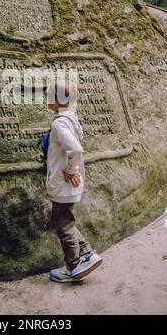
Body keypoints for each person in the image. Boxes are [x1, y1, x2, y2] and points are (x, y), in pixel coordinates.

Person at [44, 80, 103, 282]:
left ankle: (73, 266)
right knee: (67, 221)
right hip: (69, 186)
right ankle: (86, 253)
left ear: (58, 100)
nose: (46, 99)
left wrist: (70, 169)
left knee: (63, 225)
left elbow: (75, 149)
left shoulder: (59, 123)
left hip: (63, 185)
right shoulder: (70, 118)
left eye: (49, 95)